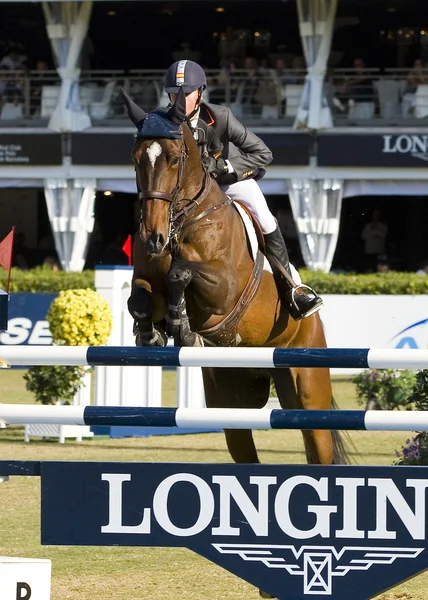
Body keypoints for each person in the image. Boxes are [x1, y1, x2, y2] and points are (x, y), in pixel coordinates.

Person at [163, 60, 323, 320]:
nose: (177, 99)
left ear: (200, 93)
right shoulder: (162, 121)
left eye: (185, 93)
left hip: (228, 183)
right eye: (172, 93)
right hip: (186, 194)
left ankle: (292, 290)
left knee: (265, 218)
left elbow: (262, 152)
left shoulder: (220, 116)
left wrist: (222, 165)